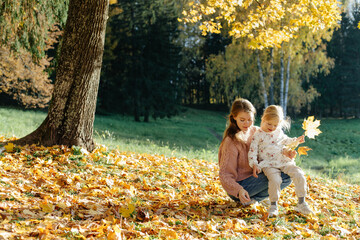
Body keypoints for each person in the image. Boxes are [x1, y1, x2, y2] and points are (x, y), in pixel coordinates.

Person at [218, 98, 292, 207]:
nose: (247, 124)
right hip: (239, 188)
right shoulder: (231, 141)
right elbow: (225, 175)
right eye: (242, 120)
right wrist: (238, 190)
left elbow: (274, 145)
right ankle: (247, 199)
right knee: (281, 176)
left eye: (250, 119)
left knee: (288, 174)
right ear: (234, 117)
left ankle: (255, 199)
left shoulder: (256, 131)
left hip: (256, 177)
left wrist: (286, 152)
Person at [248, 105, 313, 217]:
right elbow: (252, 151)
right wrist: (254, 164)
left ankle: (301, 202)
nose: (272, 127)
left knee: (299, 174)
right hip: (269, 164)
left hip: (283, 160)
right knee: (275, 180)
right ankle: (273, 205)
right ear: (263, 118)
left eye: (275, 125)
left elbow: (285, 140)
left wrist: (296, 141)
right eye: (269, 124)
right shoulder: (258, 135)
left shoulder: (278, 131)